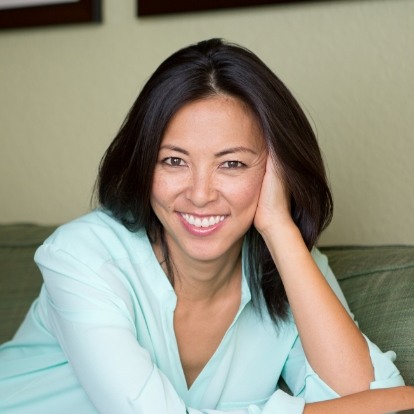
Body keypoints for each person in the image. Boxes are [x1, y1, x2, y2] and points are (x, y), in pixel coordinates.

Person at [0, 38, 413, 414]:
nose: (200, 194)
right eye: (174, 161)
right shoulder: (80, 257)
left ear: (276, 171)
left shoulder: (290, 267)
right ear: (144, 165)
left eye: (231, 163)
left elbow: (372, 397)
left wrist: (278, 227)